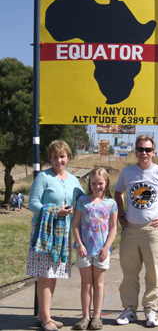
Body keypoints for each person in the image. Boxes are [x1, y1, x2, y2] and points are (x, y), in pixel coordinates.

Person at [114, 135, 158, 328]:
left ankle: (150, 310)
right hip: (130, 230)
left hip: (152, 231)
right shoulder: (127, 172)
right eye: (140, 149)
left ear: (153, 152)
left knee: (154, 273)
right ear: (135, 151)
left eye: (148, 150)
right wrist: (120, 212)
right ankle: (129, 309)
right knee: (130, 272)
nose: (144, 153)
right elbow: (117, 192)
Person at [26, 140, 85, 331]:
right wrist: (54, 211)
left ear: (68, 157)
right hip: (45, 233)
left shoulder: (74, 180)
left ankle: (44, 315)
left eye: (62, 156)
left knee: (53, 275)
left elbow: (83, 202)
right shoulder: (43, 177)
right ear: (50, 158)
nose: (59, 160)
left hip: (64, 234)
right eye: (54, 157)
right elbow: (32, 203)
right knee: (44, 275)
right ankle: (46, 319)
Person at [72, 167, 118, 330]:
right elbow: (75, 224)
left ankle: (97, 317)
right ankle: (85, 316)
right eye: (94, 183)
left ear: (106, 184)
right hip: (84, 250)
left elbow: (113, 228)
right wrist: (79, 244)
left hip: (101, 252)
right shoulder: (82, 201)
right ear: (89, 183)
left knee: (98, 284)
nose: (97, 186)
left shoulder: (111, 203)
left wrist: (106, 247)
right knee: (86, 283)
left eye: (100, 183)